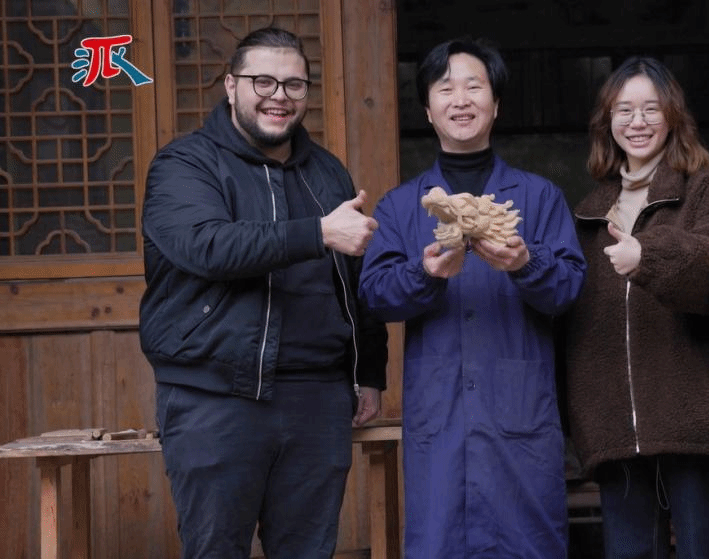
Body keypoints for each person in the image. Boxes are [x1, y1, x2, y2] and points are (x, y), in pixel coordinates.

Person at [138, 27, 388, 559]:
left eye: (294, 84)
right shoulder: (185, 164)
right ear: (231, 86)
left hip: (318, 397)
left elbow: (354, 280)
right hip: (215, 395)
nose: (279, 96)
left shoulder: (328, 172)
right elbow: (206, 246)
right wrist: (317, 232)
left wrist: (369, 369)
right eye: (263, 81)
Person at [359, 38, 586, 559]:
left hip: (520, 415)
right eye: (445, 89)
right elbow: (376, 295)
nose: (460, 100)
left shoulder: (539, 198)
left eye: (474, 86)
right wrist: (423, 273)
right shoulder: (401, 206)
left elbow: (570, 289)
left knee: (528, 543)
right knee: (439, 541)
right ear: (428, 110)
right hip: (439, 415)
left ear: (496, 104)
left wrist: (525, 264)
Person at [565, 56, 709, 559]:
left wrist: (647, 256)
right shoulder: (588, 210)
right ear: (607, 122)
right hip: (615, 432)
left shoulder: (705, 188)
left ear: (673, 116)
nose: (638, 122)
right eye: (624, 110)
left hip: (694, 425)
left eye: (651, 108)